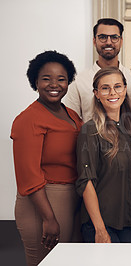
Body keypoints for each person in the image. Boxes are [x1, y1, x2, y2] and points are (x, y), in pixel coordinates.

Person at [11, 51, 82, 266]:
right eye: (46, 79)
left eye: (61, 79)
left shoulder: (70, 114)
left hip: (72, 199)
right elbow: (29, 175)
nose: (55, 84)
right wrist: (48, 218)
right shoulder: (28, 119)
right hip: (44, 202)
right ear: (35, 81)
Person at [75, 67, 131, 243]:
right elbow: (86, 182)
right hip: (103, 223)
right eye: (105, 88)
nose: (112, 92)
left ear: (125, 89)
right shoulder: (90, 130)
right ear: (96, 93)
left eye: (118, 86)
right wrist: (100, 229)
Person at [64, 18, 131, 123]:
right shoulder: (79, 81)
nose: (108, 42)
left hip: (130, 138)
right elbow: (71, 122)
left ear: (121, 41)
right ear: (94, 41)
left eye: (114, 37)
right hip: (90, 138)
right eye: (102, 37)